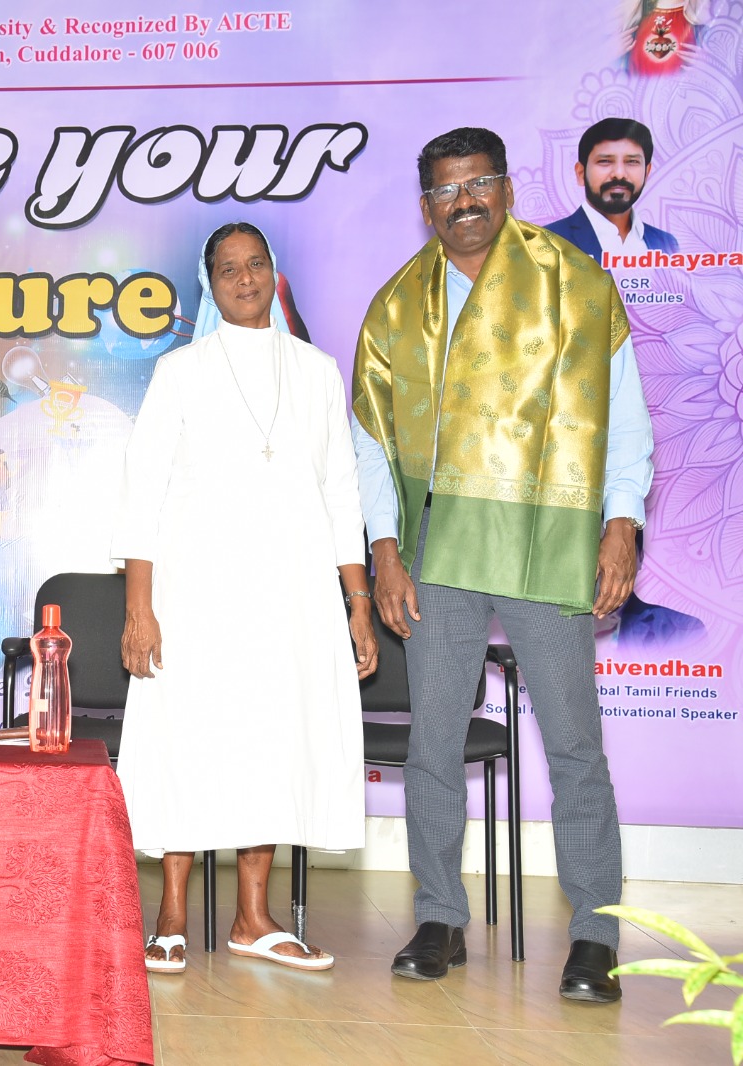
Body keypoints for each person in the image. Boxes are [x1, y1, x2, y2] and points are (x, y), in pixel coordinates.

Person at [352, 127, 654, 1002]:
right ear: (427, 207)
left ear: (508, 188)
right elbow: (371, 443)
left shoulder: (576, 283)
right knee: (433, 744)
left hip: (547, 539)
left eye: (479, 183)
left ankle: (594, 933)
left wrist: (623, 524)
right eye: (447, 191)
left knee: (574, 745)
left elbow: (624, 418)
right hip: (439, 550)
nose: (466, 202)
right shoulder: (396, 305)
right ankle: (439, 918)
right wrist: (385, 552)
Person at [114, 222, 378, 974]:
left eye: (255, 263)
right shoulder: (181, 371)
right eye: (227, 268)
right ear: (211, 283)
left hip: (292, 596)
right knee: (187, 738)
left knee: (273, 740)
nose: (244, 278)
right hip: (195, 593)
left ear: (273, 271)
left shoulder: (317, 371)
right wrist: (139, 607)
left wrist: (357, 600)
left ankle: (253, 919)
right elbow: (141, 493)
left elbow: (340, 488)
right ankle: (170, 915)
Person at [545, 117, 679, 261]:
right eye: (605, 161)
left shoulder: (666, 243)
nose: (619, 174)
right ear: (581, 173)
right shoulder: (548, 242)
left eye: (632, 161)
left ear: (647, 173)